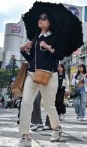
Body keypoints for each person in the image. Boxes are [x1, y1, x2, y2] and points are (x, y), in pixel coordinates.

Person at [18, 12, 64, 146]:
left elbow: (60, 55)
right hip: (32, 74)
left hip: (49, 74)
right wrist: (22, 50)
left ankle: (57, 128)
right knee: (26, 103)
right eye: (39, 18)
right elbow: (31, 60)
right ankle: (25, 136)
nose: (40, 20)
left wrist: (49, 47)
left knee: (49, 106)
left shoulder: (56, 37)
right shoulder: (35, 38)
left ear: (50, 22)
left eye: (44, 18)